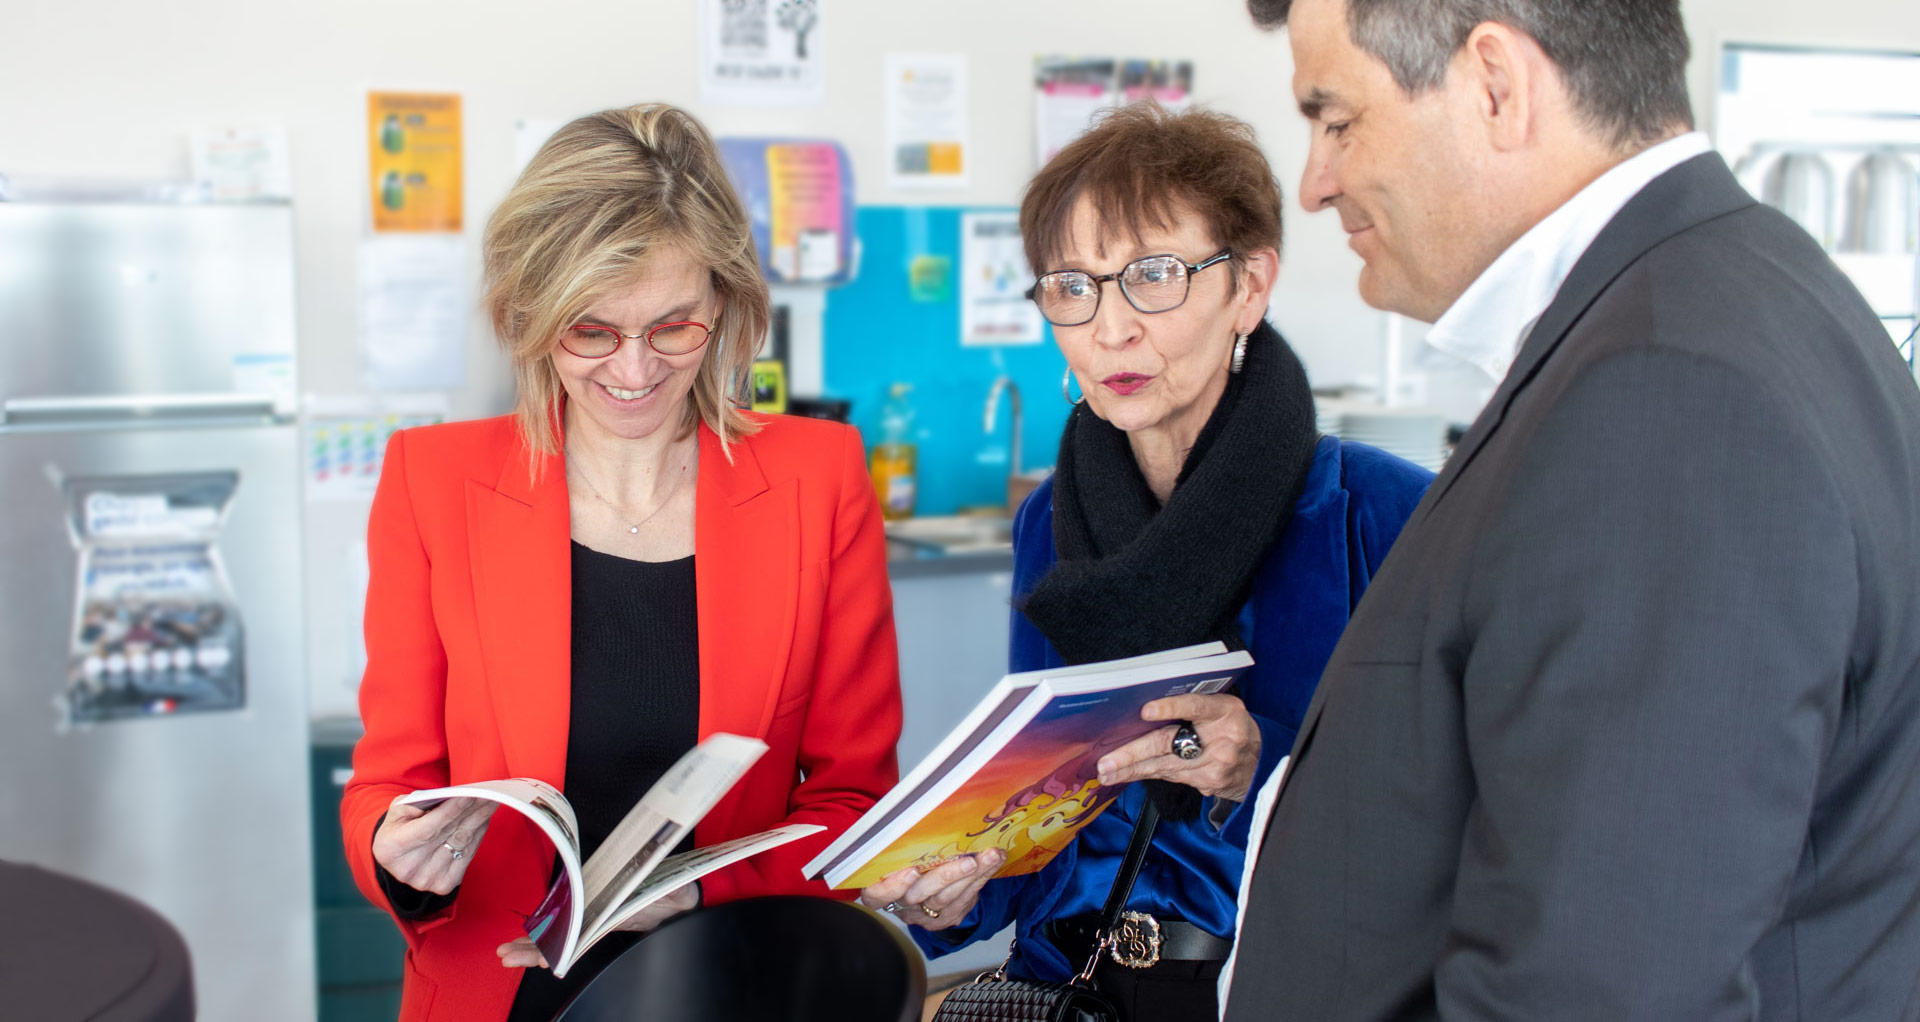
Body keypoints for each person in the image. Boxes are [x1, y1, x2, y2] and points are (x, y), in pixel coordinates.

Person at [1224, 1, 1920, 1019]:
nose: (1316, 182)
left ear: (1497, 85)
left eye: (1337, 119)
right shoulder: (1729, 292)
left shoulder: (1666, 392)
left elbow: (1601, 986)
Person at [859, 103, 1434, 1022]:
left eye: (1154, 277)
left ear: (1249, 286)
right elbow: (1055, 804)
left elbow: (1454, 808)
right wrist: (969, 882)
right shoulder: (1053, 517)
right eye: (1073, 286)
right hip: (1069, 985)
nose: (1110, 328)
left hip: (1276, 988)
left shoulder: (1385, 513)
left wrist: (1263, 766)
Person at [340, 103, 903, 1022]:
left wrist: (701, 891)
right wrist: (400, 862)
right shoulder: (434, 481)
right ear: (528, 316)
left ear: (722, 303)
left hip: (735, 982)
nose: (634, 371)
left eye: (673, 327)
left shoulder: (818, 477)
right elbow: (385, 788)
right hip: (502, 991)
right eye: (590, 331)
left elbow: (851, 804)